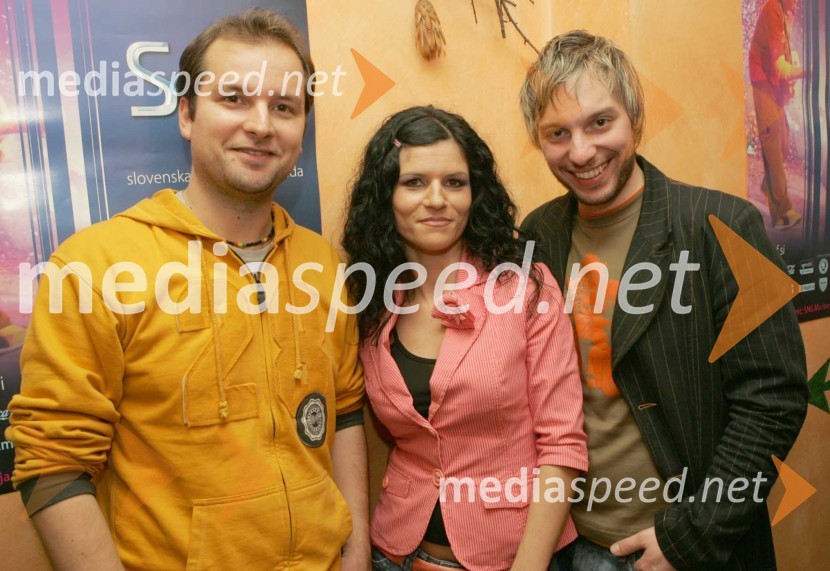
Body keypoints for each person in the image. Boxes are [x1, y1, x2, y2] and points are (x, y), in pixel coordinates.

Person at [6, 9, 368, 570]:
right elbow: (53, 464)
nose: (261, 124)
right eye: (234, 99)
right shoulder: (94, 267)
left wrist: (358, 549)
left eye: (284, 107)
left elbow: (344, 413)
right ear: (186, 114)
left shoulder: (322, 263)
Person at [519, 30, 808, 571]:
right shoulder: (537, 235)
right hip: (570, 545)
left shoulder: (724, 225)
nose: (581, 152)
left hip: (687, 547)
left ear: (635, 118)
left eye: (599, 123)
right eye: (558, 133)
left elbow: (774, 401)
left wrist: (689, 538)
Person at [343, 106, 588, 570]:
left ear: (475, 193)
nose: (436, 199)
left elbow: (562, 444)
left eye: (454, 182)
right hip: (396, 553)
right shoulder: (368, 300)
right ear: (385, 196)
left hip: (515, 559)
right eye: (414, 182)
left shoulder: (524, 286)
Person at [749, 0, 806, 230]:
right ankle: (781, 212)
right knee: (773, 142)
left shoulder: (787, 12)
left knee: (784, 143)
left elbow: (784, 51)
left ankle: (769, 185)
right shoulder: (773, 8)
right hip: (763, 81)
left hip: (774, 83)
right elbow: (779, 65)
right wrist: (807, 72)